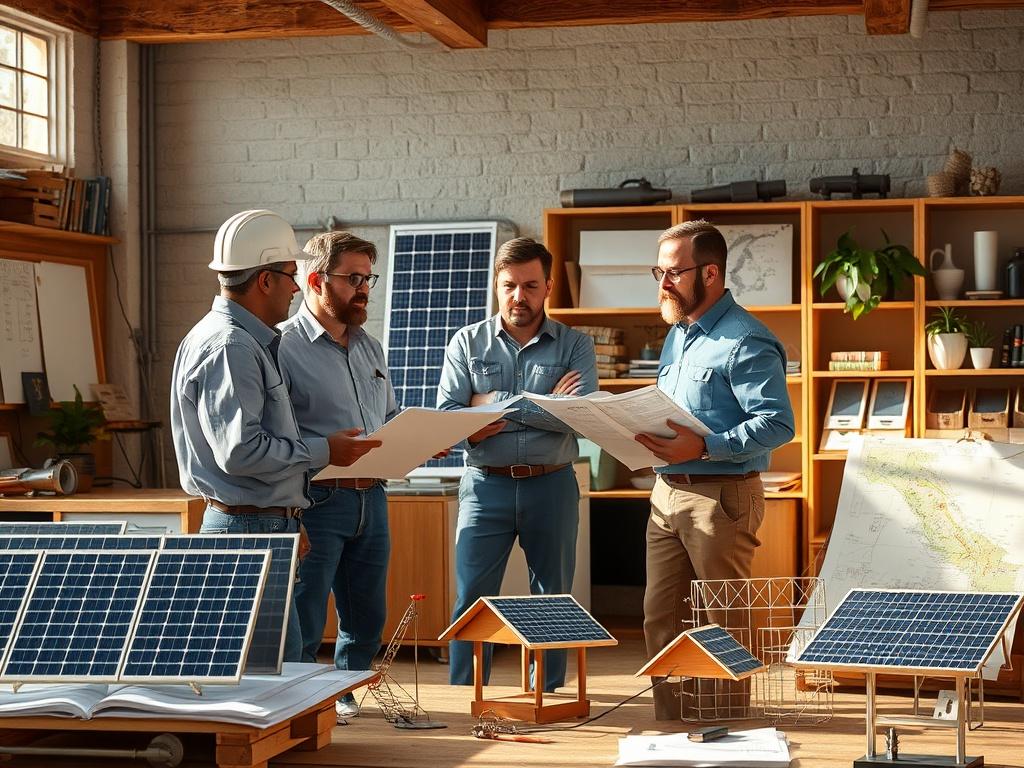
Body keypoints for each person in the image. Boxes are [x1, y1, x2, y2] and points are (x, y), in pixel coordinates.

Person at [170, 210, 380, 663]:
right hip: (249, 528)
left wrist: (290, 515)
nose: (295, 286)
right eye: (289, 275)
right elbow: (241, 453)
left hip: (264, 522)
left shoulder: (241, 341)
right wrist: (327, 450)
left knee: (274, 668)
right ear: (265, 280)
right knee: (273, 669)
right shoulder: (232, 347)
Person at [635, 219, 795, 719]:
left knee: (722, 621)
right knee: (659, 618)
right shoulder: (678, 333)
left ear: (710, 272)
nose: (662, 284)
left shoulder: (747, 339)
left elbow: (778, 424)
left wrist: (705, 449)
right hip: (666, 494)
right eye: (657, 272)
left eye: (673, 273)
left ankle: (726, 725)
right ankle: (672, 725)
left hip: (720, 497)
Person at [437, 237, 598, 692]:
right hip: (484, 486)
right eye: (509, 285)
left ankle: (546, 693)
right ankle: (466, 693)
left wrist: (489, 405)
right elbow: (449, 420)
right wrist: (545, 407)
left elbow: (580, 417)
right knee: (472, 597)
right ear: (496, 286)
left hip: (552, 486)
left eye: (530, 285)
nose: (518, 296)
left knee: (553, 598)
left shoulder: (576, 345)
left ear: (548, 286)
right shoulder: (467, 342)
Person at [277, 231, 396, 720]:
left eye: (368, 278)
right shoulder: (281, 348)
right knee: (304, 619)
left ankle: (341, 695)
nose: (364, 288)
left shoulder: (370, 347)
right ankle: (299, 707)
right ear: (314, 280)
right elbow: (277, 439)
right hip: (317, 500)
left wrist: (423, 439)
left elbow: (387, 418)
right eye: (353, 278)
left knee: (367, 618)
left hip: (374, 498)